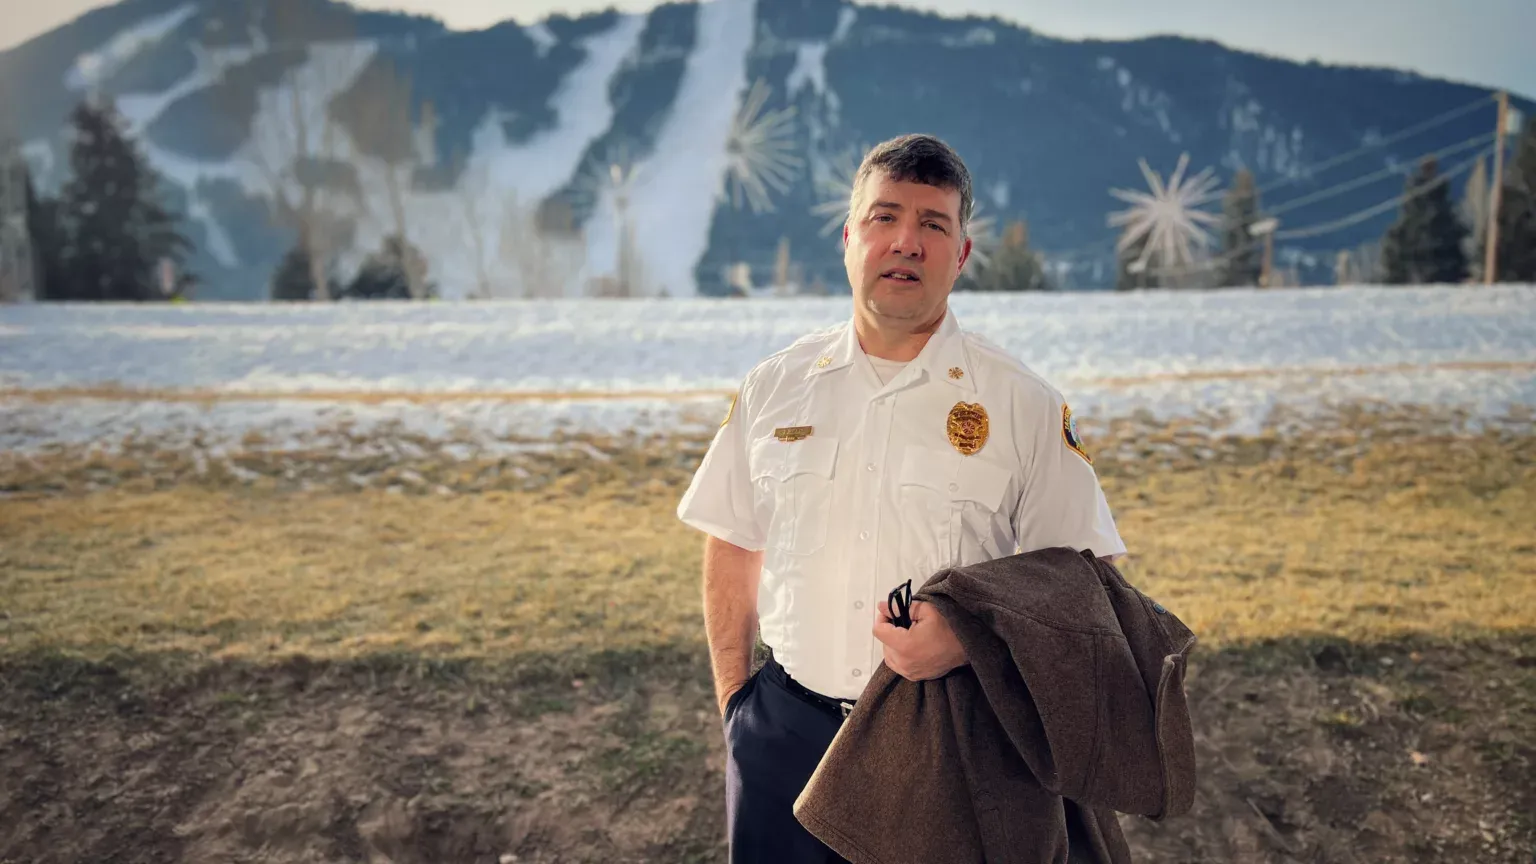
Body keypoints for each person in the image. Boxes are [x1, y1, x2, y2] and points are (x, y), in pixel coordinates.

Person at [676, 133, 1127, 863]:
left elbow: (1089, 584)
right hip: (784, 740)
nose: (906, 242)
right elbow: (732, 537)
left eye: (933, 224)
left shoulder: (1021, 404)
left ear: (963, 255)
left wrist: (975, 636)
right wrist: (737, 703)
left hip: (951, 742)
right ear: (849, 238)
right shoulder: (775, 387)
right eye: (885, 217)